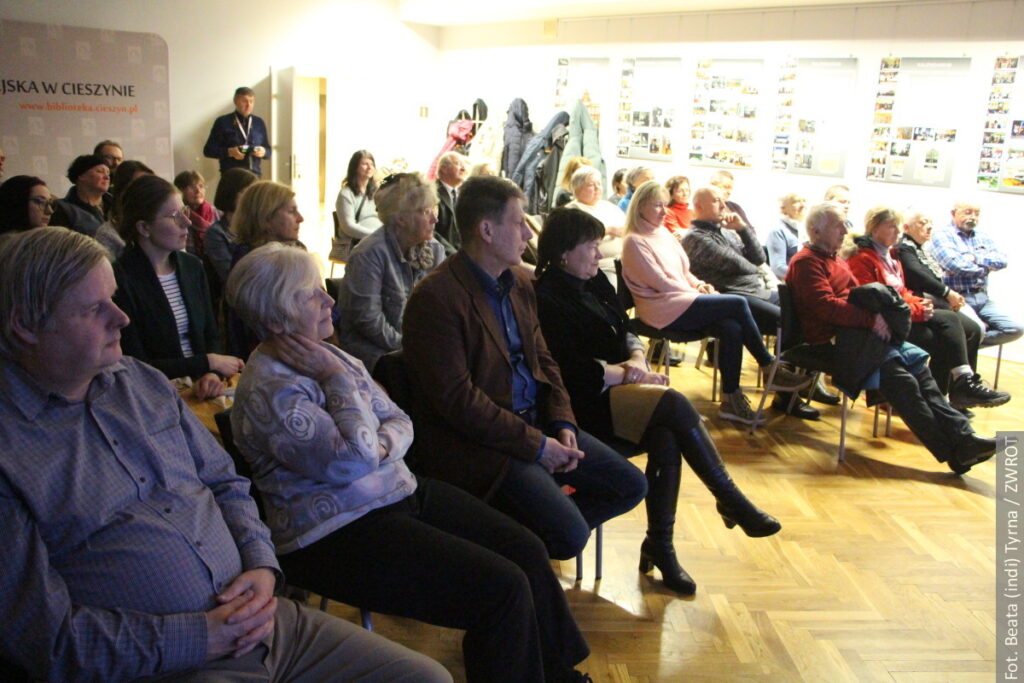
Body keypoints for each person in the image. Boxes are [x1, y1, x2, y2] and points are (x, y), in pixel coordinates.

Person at [0, 226, 449, 682]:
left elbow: (225, 484)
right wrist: (201, 636)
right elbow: (48, 641)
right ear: (25, 324)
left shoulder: (140, 383)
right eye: (95, 308)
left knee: (426, 677)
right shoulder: (11, 453)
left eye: (114, 298)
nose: (122, 318)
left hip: (267, 620)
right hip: (171, 663)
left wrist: (260, 564)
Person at [226, 243, 590, 683]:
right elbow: (352, 462)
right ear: (277, 315)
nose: (328, 299)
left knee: (527, 550)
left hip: (396, 491)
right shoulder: (273, 386)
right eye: (312, 294)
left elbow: (399, 419)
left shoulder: (330, 353)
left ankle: (556, 672)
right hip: (337, 533)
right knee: (501, 589)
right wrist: (339, 385)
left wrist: (376, 446)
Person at [534, 208, 780, 595]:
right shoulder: (547, 295)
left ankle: (661, 546)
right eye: (592, 247)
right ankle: (727, 499)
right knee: (673, 405)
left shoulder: (595, 279)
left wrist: (635, 357)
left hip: (623, 391)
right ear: (565, 252)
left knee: (666, 434)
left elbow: (626, 328)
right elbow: (571, 373)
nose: (599, 256)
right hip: (585, 403)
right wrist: (629, 373)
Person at [402, 175, 648, 561]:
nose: (528, 232)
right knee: (567, 536)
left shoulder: (518, 282)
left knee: (630, 485)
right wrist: (537, 447)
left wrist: (564, 424)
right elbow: (458, 401)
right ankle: (513, 553)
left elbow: (544, 362)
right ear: (486, 230)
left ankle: (515, 549)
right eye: (518, 222)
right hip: (486, 445)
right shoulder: (436, 298)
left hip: (539, 425)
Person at [786, 202, 998, 475]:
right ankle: (955, 451)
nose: (845, 229)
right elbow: (826, 307)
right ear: (816, 230)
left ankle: (963, 439)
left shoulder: (834, 258)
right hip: (829, 342)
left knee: (922, 372)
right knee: (903, 381)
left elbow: (853, 294)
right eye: (837, 224)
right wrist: (872, 319)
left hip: (854, 337)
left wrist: (876, 317)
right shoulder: (806, 262)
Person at [620, 181, 808, 426]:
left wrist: (698, 285)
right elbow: (662, 283)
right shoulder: (634, 241)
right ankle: (768, 366)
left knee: (731, 327)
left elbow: (684, 270)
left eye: (665, 205)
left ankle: (730, 398)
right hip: (661, 309)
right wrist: (697, 293)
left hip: (681, 299)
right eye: (658, 206)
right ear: (640, 207)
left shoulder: (663, 233)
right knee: (738, 303)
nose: (664, 211)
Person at [846, 206, 1008, 409]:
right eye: (891, 227)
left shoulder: (889, 255)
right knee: (945, 334)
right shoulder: (862, 258)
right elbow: (877, 302)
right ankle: (946, 396)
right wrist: (917, 310)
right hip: (884, 325)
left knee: (962, 327)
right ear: (873, 228)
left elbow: (901, 291)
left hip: (901, 316)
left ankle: (954, 390)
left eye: (898, 227)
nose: (897, 232)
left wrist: (918, 303)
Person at [683, 186, 819, 420]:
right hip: (733, 296)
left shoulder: (727, 231)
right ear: (699, 206)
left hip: (757, 291)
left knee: (808, 313)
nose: (723, 207)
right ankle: (782, 388)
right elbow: (743, 265)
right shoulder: (695, 238)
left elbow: (758, 258)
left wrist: (743, 230)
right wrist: (750, 264)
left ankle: (787, 389)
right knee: (785, 322)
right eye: (716, 201)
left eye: (723, 201)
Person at [112, 175, 244, 400]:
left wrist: (211, 374)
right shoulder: (121, 277)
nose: (187, 221)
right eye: (175, 216)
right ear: (144, 227)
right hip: (153, 392)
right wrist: (208, 362)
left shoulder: (192, 266)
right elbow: (135, 362)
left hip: (199, 385)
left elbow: (210, 334)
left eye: (184, 210)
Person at [336, 172, 446, 372]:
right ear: (401, 219)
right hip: (373, 353)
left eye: (434, 210)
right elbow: (369, 321)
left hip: (414, 348)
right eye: (426, 212)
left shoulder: (435, 250)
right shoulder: (368, 254)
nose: (435, 219)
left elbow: (441, 309)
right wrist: (411, 348)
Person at [227, 180, 305, 359]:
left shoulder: (297, 249)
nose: (300, 218)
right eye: (291, 212)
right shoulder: (252, 263)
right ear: (266, 218)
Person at [928, 200, 1023, 347]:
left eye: (977, 214)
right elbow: (956, 266)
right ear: (953, 213)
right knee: (977, 330)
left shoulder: (982, 236)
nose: (973, 217)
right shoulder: (942, 235)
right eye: (968, 212)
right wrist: (984, 269)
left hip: (982, 298)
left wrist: (975, 258)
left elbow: (1002, 261)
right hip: (957, 299)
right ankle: (961, 350)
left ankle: (959, 348)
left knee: (1015, 329)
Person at [895, 209, 985, 333]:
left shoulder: (922, 248)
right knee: (974, 329)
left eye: (931, 223)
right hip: (923, 301)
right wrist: (947, 293)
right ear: (906, 228)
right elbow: (917, 274)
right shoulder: (904, 248)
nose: (930, 227)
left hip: (939, 298)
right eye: (923, 223)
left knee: (976, 328)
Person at [205, 167, 258, 289]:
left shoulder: (258, 227)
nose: (252, 199)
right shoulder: (216, 233)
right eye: (247, 192)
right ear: (230, 193)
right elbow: (231, 276)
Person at [94, 159, 155, 259]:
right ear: (121, 193)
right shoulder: (108, 235)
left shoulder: (163, 225)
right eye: (139, 186)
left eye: (151, 186)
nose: (147, 192)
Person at [203, 86, 271, 177]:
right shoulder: (222, 122)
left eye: (251, 101)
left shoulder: (259, 122)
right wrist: (229, 152)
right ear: (235, 101)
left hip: (254, 177)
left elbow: (268, 151)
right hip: (231, 177)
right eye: (244, 101)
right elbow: (208, 150)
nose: (248, 105)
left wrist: (264, 152)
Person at [333, 149, 382, 260]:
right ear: (355, 168)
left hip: (377, 240)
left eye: (372, 164)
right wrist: (374, 236)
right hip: (358, 242)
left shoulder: (376, 192)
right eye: (365, 164)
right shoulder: (346, 194)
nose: (370, 167)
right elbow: (348, 226)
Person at [174, 170, 220, 259]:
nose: (198, 191)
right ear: (180, 190)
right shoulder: (177, 216)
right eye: (191, 187)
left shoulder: (217, 213)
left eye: (201, 186)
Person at [61, 153, 112, 225]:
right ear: (81, 176)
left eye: (108, 173)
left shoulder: (117, 205)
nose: (107, 177)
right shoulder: (63, 209)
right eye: (100, 171)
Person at [434, 151, 468, 255]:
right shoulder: (432, 193)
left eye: (464, 166)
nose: (463, 169)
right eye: (458, 164)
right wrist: (454, 254)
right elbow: (430, 231)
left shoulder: (463, 195)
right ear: (444, 168)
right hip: (441, 256)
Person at [767, 192, 807, 279]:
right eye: (796, 201)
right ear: (783, 208)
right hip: (795, 282)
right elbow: (778, 268)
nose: (802, 205)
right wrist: (805, 277)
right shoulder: (778, 231)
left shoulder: (812, 229)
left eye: (804, 201)